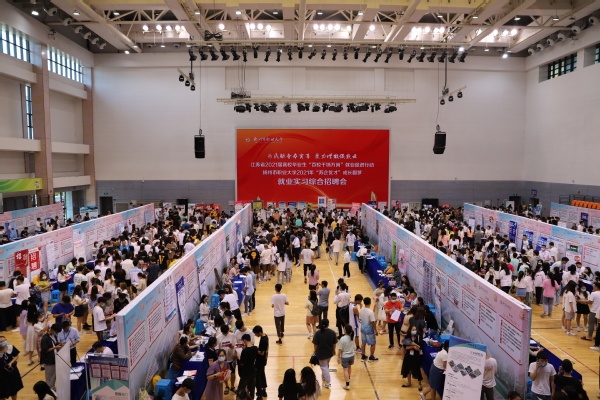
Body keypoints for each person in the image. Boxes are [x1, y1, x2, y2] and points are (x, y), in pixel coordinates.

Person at [312, 318, 337, 389]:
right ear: (328, 324)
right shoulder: (332, 332)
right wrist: (333, 350)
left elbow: (316, 344)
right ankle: (324, 376)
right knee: (326, 364)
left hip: (321, 354)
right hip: (329, 353)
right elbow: (334, 343)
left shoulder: (317, 333)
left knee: (324, 367)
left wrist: (315, 351)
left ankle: (328, 382)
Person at [0, 335, 24, 400]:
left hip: (12, 372)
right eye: (1, 342)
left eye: (4, 341)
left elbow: (16, 356)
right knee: (1, 392)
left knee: (13, 389)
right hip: (1, 374)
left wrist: (11, 362)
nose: (3, 342)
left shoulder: (11, 347)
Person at [40, 324, 63, 390]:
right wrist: (55, 347)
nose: (57, 333)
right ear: (52, 330)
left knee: (54, 375)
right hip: (49, 360)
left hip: (54, 358)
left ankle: (52, 387)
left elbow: (54, 344)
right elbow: (45, 350)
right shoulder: (45, 338)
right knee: (49, 375)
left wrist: (58, 344)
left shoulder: (53, 336)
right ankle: (49, 388)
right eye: (56, 332)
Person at [237, 333, 257, 399]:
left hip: (246, 372)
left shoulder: (244, 351)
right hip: (253, 370)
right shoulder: (255, 348)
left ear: (244, 340)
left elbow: (242, 363)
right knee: (252, 388)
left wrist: (238, 356)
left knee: (241, 388)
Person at [359, 297, 378, 362]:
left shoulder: (361, 310)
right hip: (369, 330)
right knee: (373, 343)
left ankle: (363, 355)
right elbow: (373, 322)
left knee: (363, 342)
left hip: (363, 329)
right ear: (370, 302)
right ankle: (371, 356)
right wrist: (375, 330)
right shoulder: (370, 312)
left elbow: (360, 319)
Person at [337, 325, 355, 390]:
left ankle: (347, 384)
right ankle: (348, 378)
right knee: (349, 367)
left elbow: (340, 349)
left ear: (345, 330)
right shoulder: (352, 337)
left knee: (345, 370)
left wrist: (338, 356)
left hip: (345, 356)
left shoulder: (343, 339)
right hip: (352, 355)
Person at [253, 325, 269, 399]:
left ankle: (260, 392)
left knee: (258, 376)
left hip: (260, 361)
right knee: (262, 374)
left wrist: (255, 349)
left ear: (259, 332)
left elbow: (261, 353)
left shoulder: (263, 340)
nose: (255, 335)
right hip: (264, 360)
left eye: (256, 333)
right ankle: (264, 390)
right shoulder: (265, 336)